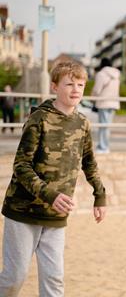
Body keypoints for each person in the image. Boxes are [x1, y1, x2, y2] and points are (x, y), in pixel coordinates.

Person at [0, 61, 107, 296]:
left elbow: (89, 162)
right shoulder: (39, 119)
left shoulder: (82, 123)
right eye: (69, 84)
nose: (76, 89)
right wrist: (50, 195)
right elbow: (21, 165)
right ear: (54, 86)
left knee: (54, 279)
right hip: (23, 211)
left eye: (80, 84)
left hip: (56, 215)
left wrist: (100, 195)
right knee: (14, 278)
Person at [92, 57, 120, 154]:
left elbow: (97, 90)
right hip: (114, 102)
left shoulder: (101, 74)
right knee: (107, 126)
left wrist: (93, 97)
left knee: (103, 125)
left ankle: (103, 147)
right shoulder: (117, 74)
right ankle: (106, 146)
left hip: (104, 102)